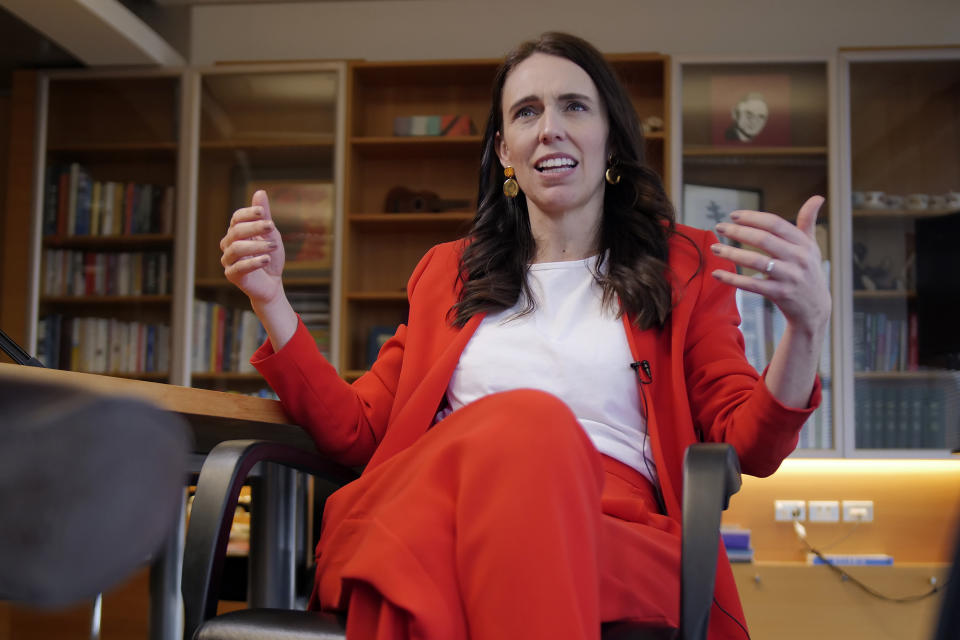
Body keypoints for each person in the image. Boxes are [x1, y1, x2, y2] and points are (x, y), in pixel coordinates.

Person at [218, 32, 829, 640]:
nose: (549, 129)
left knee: (529, 436)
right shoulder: (445, 274)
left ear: (611, 137)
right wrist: (271, 301)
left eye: (574, 106)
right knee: (526, 426)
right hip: (436, 510)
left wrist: (807, 326)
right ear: (504, 151)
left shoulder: (686, 265)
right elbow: (357, 430)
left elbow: (749, 446)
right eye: (526, 112)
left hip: (609, 529)